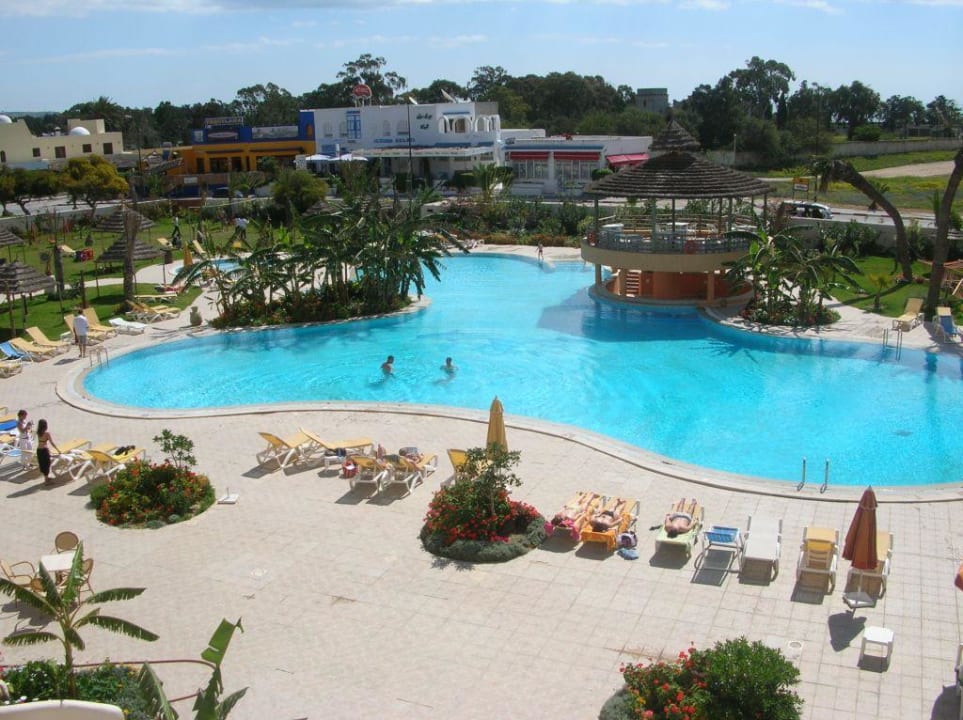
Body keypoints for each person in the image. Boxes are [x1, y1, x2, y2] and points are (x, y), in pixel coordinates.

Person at [35, 419, 61, 486]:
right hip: (44, 450)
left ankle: (46, 477)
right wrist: (58, 450)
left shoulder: (38, 432)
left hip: (39, 450)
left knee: (42, 464)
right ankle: (46, 480)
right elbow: (52, 442)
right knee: (47, 464)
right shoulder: (47, 433)